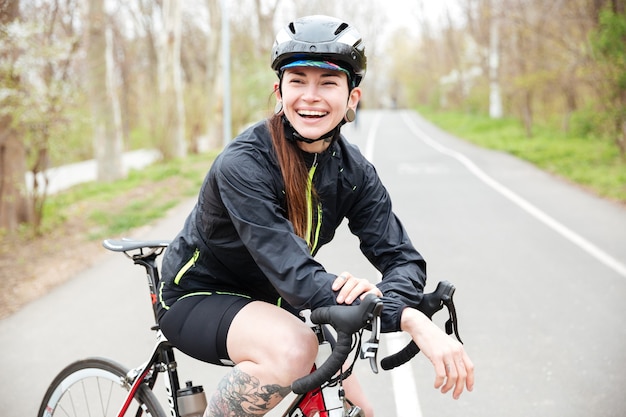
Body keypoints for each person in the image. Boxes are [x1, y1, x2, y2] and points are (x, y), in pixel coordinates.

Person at [157, 14, 474, 417]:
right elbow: (294, 273)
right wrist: (407, 318)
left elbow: (402, 259)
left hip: (277, 298)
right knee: (295, 347)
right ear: (279, 91)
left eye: (327, 83)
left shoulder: (354, 172)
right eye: (298, 81)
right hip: (198, 295)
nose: (311, 96)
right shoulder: (244, 163)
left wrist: (391, 302)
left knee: (360, 411)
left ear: (351, 98)